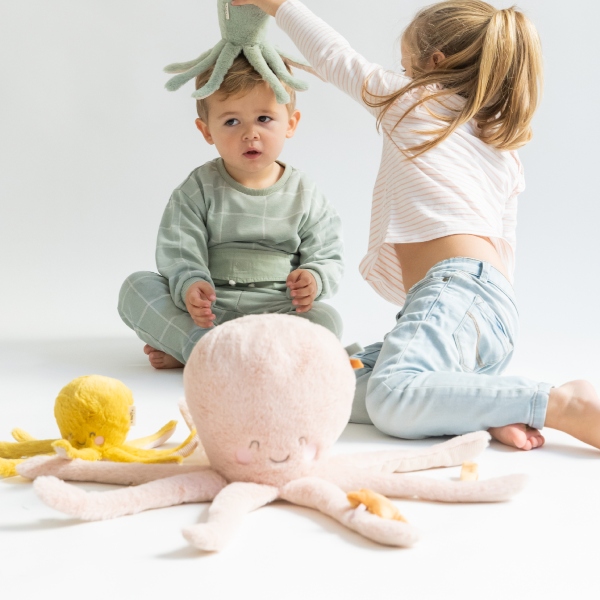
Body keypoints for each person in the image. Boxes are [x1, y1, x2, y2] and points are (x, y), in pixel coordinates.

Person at [232, 0, 600, 451]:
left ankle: (561, 403)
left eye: (406, 67)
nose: (401, 76)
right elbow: (505, 246)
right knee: (324, 388)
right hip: (493, 315)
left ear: (433, 65)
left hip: (456, 292)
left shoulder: (412, 102)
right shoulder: (500, 146)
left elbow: (334, 57)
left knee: (391, 397)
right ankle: (484, 406)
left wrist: (276, 5)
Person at [118, 55, 344, 369]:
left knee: (327, 320)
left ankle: (203, 353)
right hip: (209, 312)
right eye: (232, 122)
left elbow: (328, 254)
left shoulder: (305, 193)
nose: (250, 134)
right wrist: (190, 285)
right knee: (135, 287)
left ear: (290, 123)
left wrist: (314, 278)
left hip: (278, 309)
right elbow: (179, 250)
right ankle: (196, 343)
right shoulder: (198, 187)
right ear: (206, 131)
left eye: (264, 118)